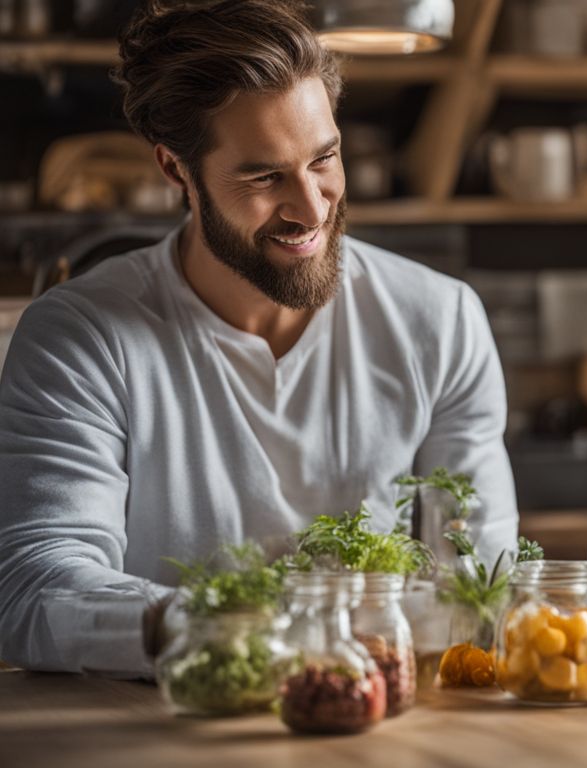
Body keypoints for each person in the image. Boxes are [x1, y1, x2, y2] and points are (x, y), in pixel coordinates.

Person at [0, 0, 517, 677]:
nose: (311, 207)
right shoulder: (82, 337)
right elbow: (34, 590)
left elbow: (483, 582)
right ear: (176, 171)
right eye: (264, 176)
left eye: (323, 159)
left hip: (375, 718)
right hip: (162, 723)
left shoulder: (439, 320)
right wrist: (224, 627)